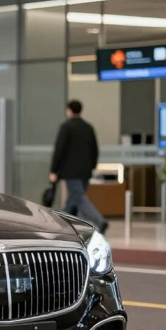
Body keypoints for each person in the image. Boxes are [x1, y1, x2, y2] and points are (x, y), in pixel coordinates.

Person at [50, 100, 107, 234]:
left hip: (71, 172)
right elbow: (95, 150)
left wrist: (53, 170)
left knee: (79, 198)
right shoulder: (88, 127)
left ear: (69, 110)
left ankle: (100, 221)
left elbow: (59, 149)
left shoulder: (66, 127)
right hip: (86, 171)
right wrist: (92, 167)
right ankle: (67, 227)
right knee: (73, 200)